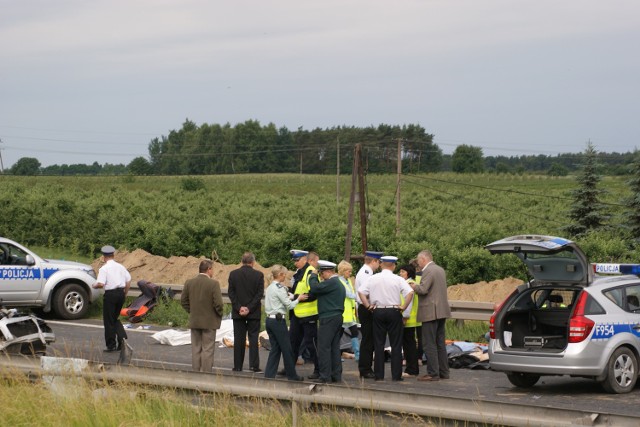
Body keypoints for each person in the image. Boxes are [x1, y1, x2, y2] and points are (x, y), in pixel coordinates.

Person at [358, 255, 413, 381]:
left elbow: (361, 292)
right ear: (393, 266)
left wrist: (368, 306)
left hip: (378, 311)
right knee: (396, 344)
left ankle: (379, 375)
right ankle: (396, 375)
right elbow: (410, 292)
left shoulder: (373, 278)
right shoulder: (398, 279)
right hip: (394, 310)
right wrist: (403, 307)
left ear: (381, 264)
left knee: (378, 344)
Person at [264, 264, 307, 381]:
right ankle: (292, 375)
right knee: (287, 349)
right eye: (285, 275)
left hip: (269, 320)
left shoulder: (270, 288)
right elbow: (289, 305)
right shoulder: (280, 288)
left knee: (275, 348)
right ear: (280, 275)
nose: (285, 277)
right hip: (278, 321)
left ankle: (269, 374)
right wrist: (298, 299)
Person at [413, 250, 451, 382]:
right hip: (441, 311)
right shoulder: (440, 269)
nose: (418, 264)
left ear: (423, 259)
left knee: (429, 344)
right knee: (440, 343)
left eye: (418, 261)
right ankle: (443, 372)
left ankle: (433, 373)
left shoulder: (428, 271)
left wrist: (413, 286)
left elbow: (423, 290)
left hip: (430, 312)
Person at [180, 259, 224, 373]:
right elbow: (218, 303)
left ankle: (196, 373)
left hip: (195, 320)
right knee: (207, 349)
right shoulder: (213, 284)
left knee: (196, 349)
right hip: (209, 321)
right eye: (212, 269)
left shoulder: (189, 282)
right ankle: (206, 374)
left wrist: (192, 311)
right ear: (209, 269)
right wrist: (218, 314)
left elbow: (183, 301)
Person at [308, 260, 346, 383]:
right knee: (334, 348)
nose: (321, 276)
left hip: (328, 318)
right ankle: (335, 375)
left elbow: (314, 288)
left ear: (328, 272)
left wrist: (313, 276)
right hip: (336, 317)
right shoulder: (338, 283)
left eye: (321, 273)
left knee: (323, 347)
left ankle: (325, 376)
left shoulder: (332, 282)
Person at [228, 252, 265, 372]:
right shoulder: (259, 275)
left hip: (238, 313)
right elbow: (259, 295)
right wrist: (249, 308)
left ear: (242, 261)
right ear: (253, 262)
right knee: (253, 339)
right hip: (253, 313)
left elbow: (231, 293)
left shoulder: (233, 274)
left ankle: (238, 366)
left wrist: (239, 308)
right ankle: (254, 365)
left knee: (239, 339)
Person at [93, 245, 132, 355]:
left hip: (110, 295)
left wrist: (94, 285)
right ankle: (122, 340)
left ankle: (111, 345)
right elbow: (128, 280)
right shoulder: (120, 267)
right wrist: (125, 293)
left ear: (104, 257)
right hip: (120, 293)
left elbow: (100, 283)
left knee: (109, 320)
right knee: (114, 318)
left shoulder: (104, 269)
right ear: (113, 255)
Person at [288, 249, 320, 380]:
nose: (295, 263)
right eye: (294, 261)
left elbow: (313, 294)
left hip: (309, 315)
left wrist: (294, 296)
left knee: (311, 344)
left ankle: (318, 370)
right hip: (297, 314)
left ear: (305, 259)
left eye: (297, 260)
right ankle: (289, 368)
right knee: (293, 342)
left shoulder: (310, 272)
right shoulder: (299, 272)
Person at [355, 250, 382, 379]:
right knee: (368, 339)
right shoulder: (366, 273)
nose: (379, 265)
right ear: (374, 261)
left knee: (369, 339)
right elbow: (366, 292)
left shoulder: (367, 272)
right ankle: (365, 369)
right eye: (379, 262)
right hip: (367, 308)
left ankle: (366, 368)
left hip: (366, 307)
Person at [398, 263, 420, 377]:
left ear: (408, 273)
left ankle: (411, 369)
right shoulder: (411, 283)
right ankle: (412, 368)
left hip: (408, 318)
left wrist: (405, 316)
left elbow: (409, 301)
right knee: (410, 344)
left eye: (402, 272)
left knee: (409, 345)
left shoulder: (408, 284)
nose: (400, 274)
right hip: (412, 318)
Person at [337, 260, 359, 361]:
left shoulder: (348, 280)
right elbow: (349, 294)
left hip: (350, 314)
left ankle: (357, 354)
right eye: (348, 271)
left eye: (350, 271)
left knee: (354, 332)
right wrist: (359, 297)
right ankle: (336, 354)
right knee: (339, 334)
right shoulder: (339, 281)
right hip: (343, 313)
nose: (350, 273)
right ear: (342, 271)